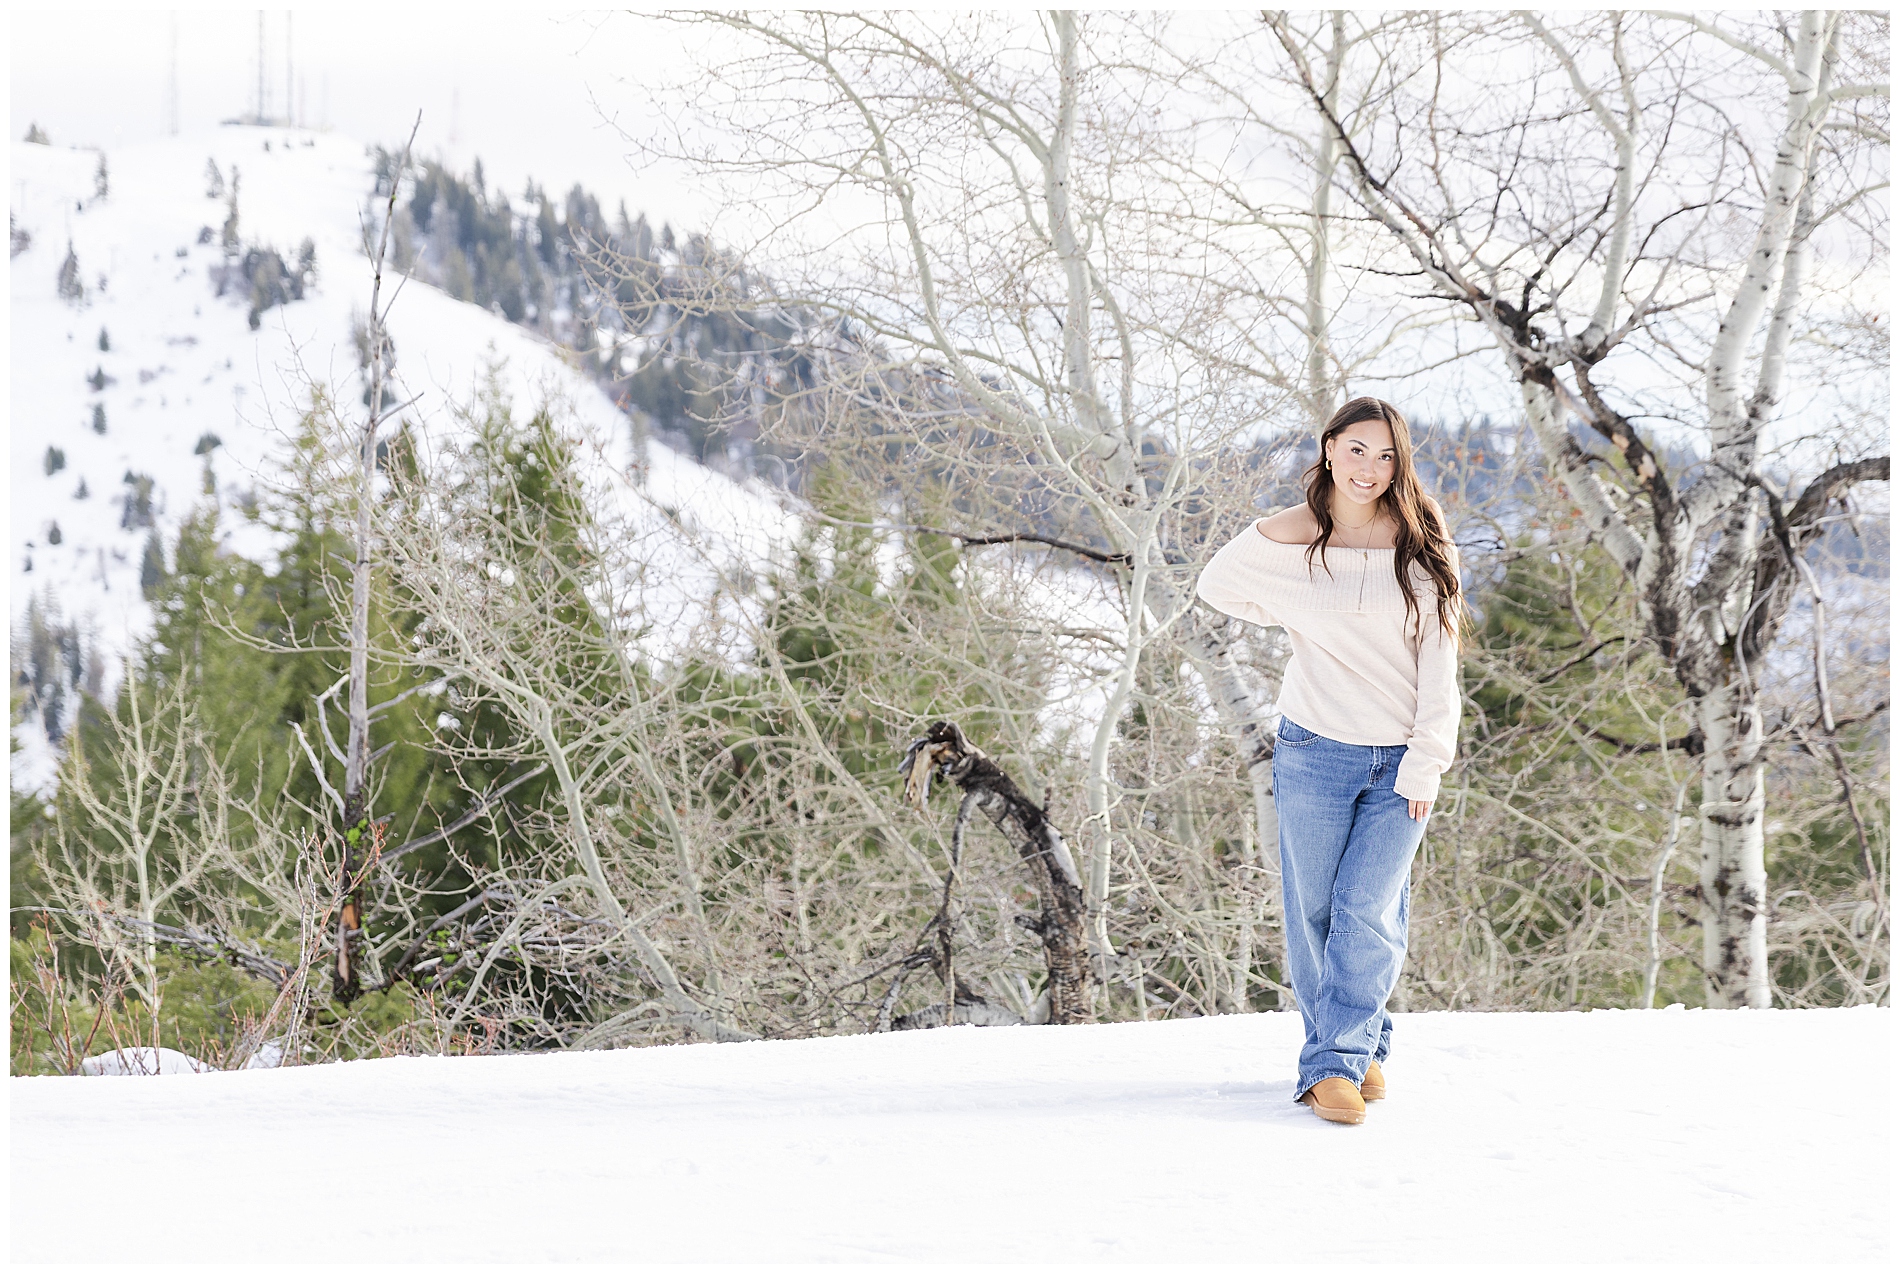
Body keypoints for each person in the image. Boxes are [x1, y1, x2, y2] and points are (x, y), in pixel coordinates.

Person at [1195, 396, 1463, 1126]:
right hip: (1314, 751)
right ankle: (1353, 1052)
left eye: (1385, 455)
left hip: (1400, 760)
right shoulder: (1297, 534)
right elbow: (1216, 585)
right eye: (1356, 450)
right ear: (1329, 448)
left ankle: (1334, 1063)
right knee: (1313, 911)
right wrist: (1293, 608)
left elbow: (1442, 660)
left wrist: (1427, 761)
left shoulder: (1421, 531)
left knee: (1368, 911)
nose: (1370, 468)